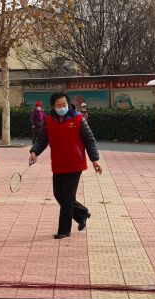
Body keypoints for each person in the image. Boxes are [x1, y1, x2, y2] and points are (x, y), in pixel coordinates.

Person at [29, 91, 102, 239]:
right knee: (58, 195)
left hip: (75, 163)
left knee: (67, 197)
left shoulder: (78, 119)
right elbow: (42, 140)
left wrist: (94, 159)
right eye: (58, 105)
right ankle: (82, 213)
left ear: (68, 104)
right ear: (53, 107)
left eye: (64, 104)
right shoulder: (48, 121)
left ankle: (64, 230)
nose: (62, 107)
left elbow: (90, 140)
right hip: (58, 164)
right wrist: (34, 152)